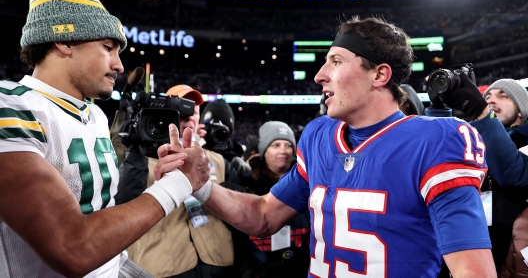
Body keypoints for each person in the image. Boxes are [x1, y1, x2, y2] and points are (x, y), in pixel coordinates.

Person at [160, 16, 496, 277]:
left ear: (379, 75)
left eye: (335, 61)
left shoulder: (435, 141)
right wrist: (201, 184)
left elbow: (472, 270)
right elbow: (263, 216)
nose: (320, 75)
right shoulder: (319, 135)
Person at [0, 0, 209, 277]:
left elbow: (103, 212)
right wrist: (178, 184)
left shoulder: (96, 114)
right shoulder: (10, 106)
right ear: (65, 40)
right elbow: (73, 247)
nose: (119, 65)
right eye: (108, 47)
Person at [116, 84, 243, 278]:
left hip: (218, 262)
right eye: (181, 109)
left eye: (193, 111)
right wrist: (137, 150)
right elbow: (123, 207)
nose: (188, 116)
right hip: (162, 267)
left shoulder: (217, 160)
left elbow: (243, 200)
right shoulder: (141, 159)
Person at [426, 77, 528, 275]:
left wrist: (482, 114)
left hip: (508, 263)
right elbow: (433, 157)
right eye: (487, 96)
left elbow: (513, 173)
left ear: (520, 111)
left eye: (503, 96)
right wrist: (437, 110)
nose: (491, 100)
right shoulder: (470, 140)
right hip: (462, 256)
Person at [239, 121, 310, 278]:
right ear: (264, 150)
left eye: (288, 145)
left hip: (298, 267)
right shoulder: (244, 185)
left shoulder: (309, 184)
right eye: (276, 145)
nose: (283, 151)